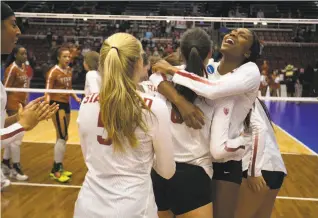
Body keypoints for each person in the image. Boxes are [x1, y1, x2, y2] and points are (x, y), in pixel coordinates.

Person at [153, 28, 262, 218]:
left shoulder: (249, 71)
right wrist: (181, 101)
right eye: (233, 31)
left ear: (247, 52)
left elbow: (212, 90)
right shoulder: (208, 68)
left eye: (242, 35)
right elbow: (157, 74)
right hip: (200, 159)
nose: (233, 34)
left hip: (223, 157)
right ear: (210, 53)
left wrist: (171, 74)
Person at [73, 33, 175, 218]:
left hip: (87, 207)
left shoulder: (86, 103)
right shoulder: (154, 107)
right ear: (138, 63)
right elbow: (167, 171)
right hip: (134, 208)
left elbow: (88, 155)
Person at [150, 28, 215, 218]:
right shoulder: (215, 82)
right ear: (210, 54)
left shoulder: (164, 78)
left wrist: (178, 100)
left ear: (180, 52)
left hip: (160, 170)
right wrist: (181, 102)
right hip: (194, 171)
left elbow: (154, 74)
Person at [1, 2, 59, 190]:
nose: (18, 31)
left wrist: (17, 118)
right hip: (12, 103)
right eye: (13, 24)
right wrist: (22, 124)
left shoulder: (26, 70)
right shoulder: (10, 70)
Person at [235, 98, 287, 218]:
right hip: (276, 169)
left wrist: (254, 172)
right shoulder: (254, 101)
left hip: (257, 170)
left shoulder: (241, 98)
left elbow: (259, 130)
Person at [45, 46, 81, 183]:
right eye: (64, 56)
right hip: (56, 104)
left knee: (62, 137)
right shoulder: (53, 72)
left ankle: (58, 166)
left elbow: (69, 88)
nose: (67, 59)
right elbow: (47, 91)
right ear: (58, 58)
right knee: (62, 136)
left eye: (69, 56)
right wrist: (47, 106)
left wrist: (75, 97)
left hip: (66, 105)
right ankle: (56, 170)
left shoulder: (69, 71)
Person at [2, 45, 29, 181]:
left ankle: (6, 163)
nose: (25, 56)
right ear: (15, 55)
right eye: (22, 54)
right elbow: (5, 89)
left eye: (26, 54)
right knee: (17, 136)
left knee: (15, 136)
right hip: (13, 104)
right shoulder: (11, 69)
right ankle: (15, 168)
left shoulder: (23, 67)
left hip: (20, 104)